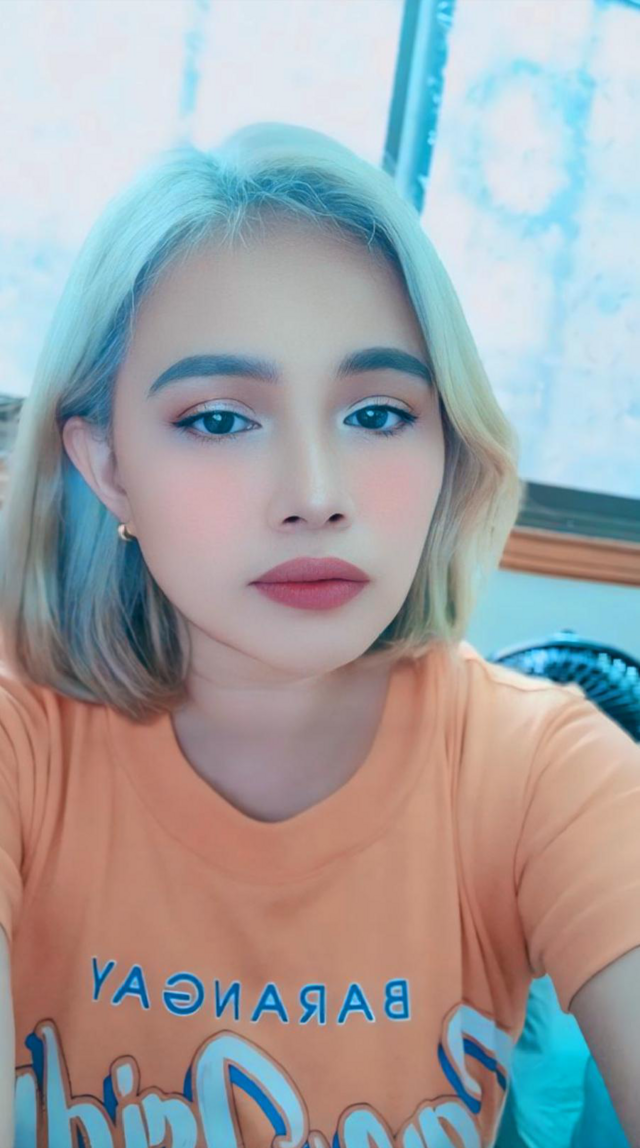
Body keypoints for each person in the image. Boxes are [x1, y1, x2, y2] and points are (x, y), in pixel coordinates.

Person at [0, 122, 638, 1147]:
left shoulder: (543, 768)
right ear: (107, 465)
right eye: (219, 419)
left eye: (378, 414)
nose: (314, 493)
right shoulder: (22, 739)